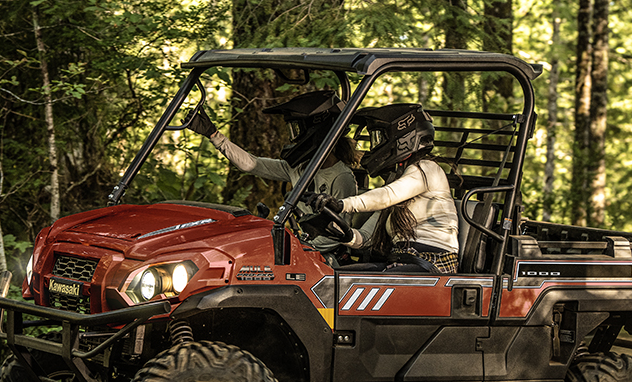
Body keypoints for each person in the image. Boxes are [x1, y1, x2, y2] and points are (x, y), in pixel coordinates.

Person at [184, 90, 358, 255]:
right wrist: (214, 136)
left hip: (325, 257)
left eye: (297, 130)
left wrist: (300, 246)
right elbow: (252, 164)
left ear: (315, 130)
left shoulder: (342, 177)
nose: (294, 138)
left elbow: (340, 233)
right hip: (302, 248)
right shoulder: (300, 168)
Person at [311, 103, 459, 274]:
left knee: (361, 282)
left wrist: (342, 204)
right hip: (403, 262)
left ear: (403, 137)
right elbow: (365, 239)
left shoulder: (427, 169)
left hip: (434, 263)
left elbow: (387, 196)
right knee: (338, 277)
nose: (374, 147)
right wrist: (338, 231)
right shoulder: (399, 184)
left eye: (378, 139)